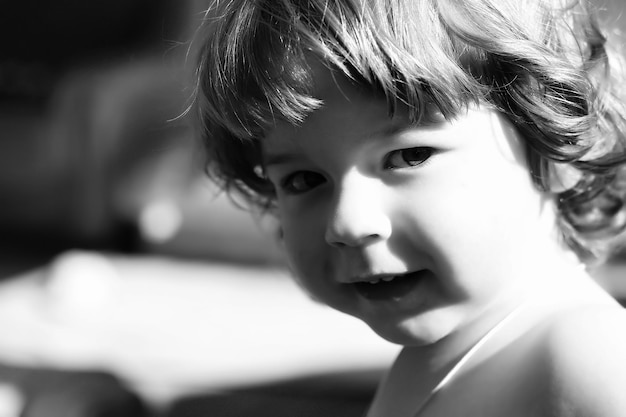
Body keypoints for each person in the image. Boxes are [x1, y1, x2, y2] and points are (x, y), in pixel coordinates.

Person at [190, 0, 626, 415]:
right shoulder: (456, 353)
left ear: (555, 153)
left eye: (409, 156)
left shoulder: (586, 352)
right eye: (304, 181)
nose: (347, 223)